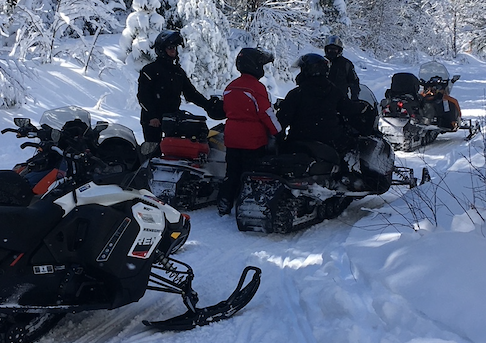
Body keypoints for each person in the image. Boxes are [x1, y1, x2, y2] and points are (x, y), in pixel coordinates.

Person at [217, 47, 281, 216]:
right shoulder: (256, 87)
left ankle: (225, 202)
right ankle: (247, 205)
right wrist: (279, 132)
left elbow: (226, 109)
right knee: (252, 174)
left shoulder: (231, 86)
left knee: (232, 173)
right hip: (252, 139)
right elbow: (266, 113)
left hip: (232, 137)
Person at [137, 30, 216, 145]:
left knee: (175, 149)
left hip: (172, 119)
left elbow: (191, 93)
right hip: (152, 120)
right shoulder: (150, 70)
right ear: (161, 49)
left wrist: (208, 105)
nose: (173, 50)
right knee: (153, 152)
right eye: (170, 47)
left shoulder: (178, 72)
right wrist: (152, 116)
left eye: (174, 47)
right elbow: (143, 96)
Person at [277, 53, 347, 149]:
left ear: (307, 71)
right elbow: (349, 109)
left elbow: (281, 120)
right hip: (330, 145)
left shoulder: (297, 93)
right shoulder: (335, 92)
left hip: (299, 144)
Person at [323, 35, 360, 104]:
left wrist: (354, 99)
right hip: (322, 100)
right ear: (326, 49)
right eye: (330, 49)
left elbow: (354, 82)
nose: (332, 51)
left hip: (341, 101)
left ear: (339, 50)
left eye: (335, 49)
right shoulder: (320, 62)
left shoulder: (346, 64)